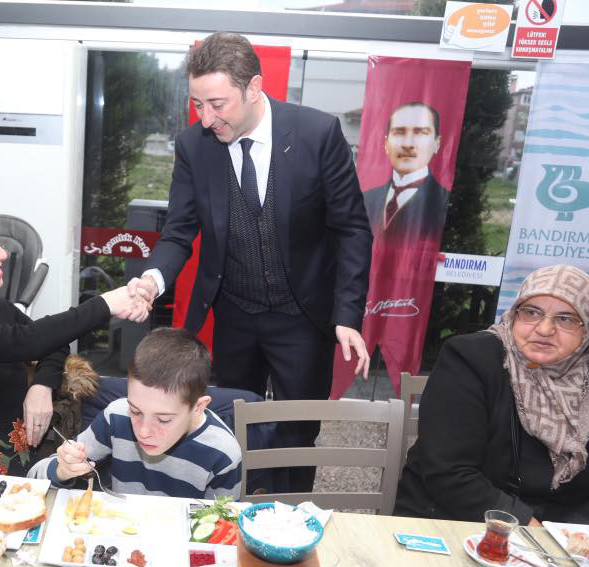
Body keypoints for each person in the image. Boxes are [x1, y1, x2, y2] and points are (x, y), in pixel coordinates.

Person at [128, 32, 372, 492]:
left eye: (217, 104)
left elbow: (352, 229)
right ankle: (235, 508)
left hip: (303, 317)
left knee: (298, 433)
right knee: (233, 425)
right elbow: (179, 230)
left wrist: (347, 313)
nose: (206, 118)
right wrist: (152, 280)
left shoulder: (317, 134)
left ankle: (289, 514)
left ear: (254, 88)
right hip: (235, 313)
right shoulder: (195, 146)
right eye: (197, 104)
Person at [0, 205, 147, 472]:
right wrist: (105, 304)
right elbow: (28, 341)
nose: (2, 253)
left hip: (24, 468)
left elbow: (53, 342)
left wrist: (41, 386)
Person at [394, 264, 589, 525]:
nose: (544, 329)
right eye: (531, 312)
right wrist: (528, 528)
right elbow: (447, 471)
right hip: (454, 519)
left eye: (565, 319)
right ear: (515, 314)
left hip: (561, 532)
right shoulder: (469, 358)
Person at [28, 328, 242, 499]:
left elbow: (221, 528)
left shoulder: (223, 453)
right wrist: (62, 470)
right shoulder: (117, 417)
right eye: (135, 410)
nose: (144, 432)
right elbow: (32, 479)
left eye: (163, 419)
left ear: (198, 407)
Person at [363, 102, 450, 245]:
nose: (408, 144)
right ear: (386, 144)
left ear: (437, 143)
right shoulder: (365, 200)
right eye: (399, 132)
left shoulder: (445, 202)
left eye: (420, 132)